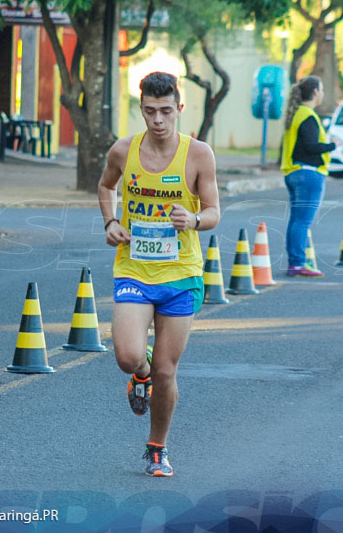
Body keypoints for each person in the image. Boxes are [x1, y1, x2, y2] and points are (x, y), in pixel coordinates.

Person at [97, 71, 221, 477]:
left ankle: (156, 449)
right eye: (150, 111)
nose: (158, 120)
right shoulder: (123, 150)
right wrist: (110, 221)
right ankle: (140, 374)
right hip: (134, 267)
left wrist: (195, 219)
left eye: (166, 111)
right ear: (141, 109)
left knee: (169, 371)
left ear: (180, 109)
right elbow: (105, 186)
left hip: (181, 274)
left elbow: (214, 212)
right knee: (128, 356)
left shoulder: (199, 154)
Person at [280, 76, 336, 277]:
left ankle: (295, 262)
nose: (322, 93)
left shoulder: (296, 114)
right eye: (321, 90)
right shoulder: (308, 116)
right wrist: (332, 144)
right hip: (308, 174)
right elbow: (312, 146)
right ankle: (297, 263)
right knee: (302, 222)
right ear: (314, 92)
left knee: (296, 220)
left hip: (294, 173)